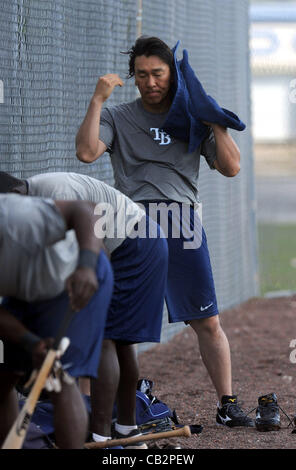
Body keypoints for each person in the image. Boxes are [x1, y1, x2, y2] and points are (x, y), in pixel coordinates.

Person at [75, 35, 254, 428]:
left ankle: (227, 403)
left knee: (207, 320)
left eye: (157, 73)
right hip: (128, 220)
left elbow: (232, 167)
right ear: (133, 77)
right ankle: (88, 407)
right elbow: (87, 152)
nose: (150, 82)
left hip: (181, 220)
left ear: (172, 75)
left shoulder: (190, 116)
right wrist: (97, 100)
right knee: (108, 319)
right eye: (141, 75)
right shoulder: (118, 116)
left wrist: (214, 122)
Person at [0, 170, 168, 447]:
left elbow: (89, 221)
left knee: (91, 350)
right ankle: (125, 430)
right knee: (7, 369)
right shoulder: (27, 207)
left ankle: (103, 434)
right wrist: (31, 343)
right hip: (43, 275)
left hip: (129, 243)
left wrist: (87, 270)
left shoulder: (27, 210)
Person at [0, 191, 114, 448]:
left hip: (74, 277)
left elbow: (88, 210)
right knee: (5, 374)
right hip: (22, 291)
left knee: (58, 374)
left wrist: (86, 265)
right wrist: (30, 342)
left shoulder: (14, 218)